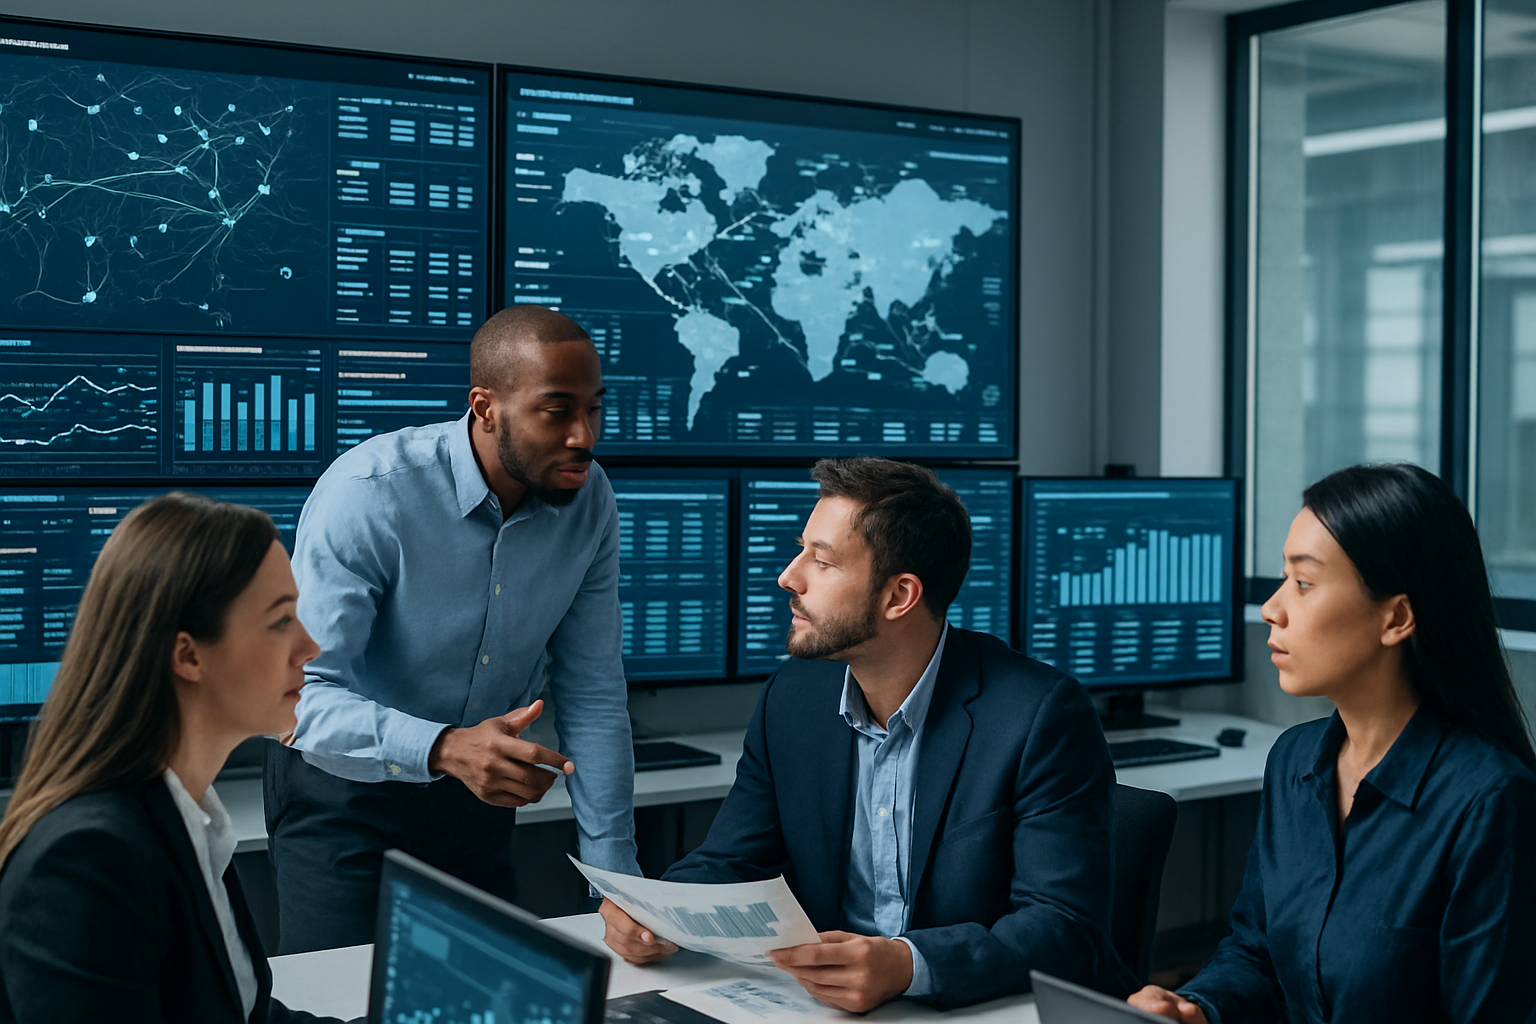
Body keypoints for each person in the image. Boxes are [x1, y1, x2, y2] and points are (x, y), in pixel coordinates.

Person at [600, 457, 1133, 1011]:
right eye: (801, 548)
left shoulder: (1038, 714)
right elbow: (733, 859)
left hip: (984, 1008)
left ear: (899, 596)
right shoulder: (794, 697)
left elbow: (1065, 927)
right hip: (829, 1008)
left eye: (822, 562)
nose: (789, 576)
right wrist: (656, 910)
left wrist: (907, 965)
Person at [265, 304, 640, 952]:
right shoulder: (370, 493)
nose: (584, 435)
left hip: (477, 801)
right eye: (556, 410)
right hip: (345, 796)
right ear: (486, 407)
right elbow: (296, 701)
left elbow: (593, 691)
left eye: (595, 408)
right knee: (341, 1008)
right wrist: (444, 747)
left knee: (482, 1001)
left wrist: (619, 886)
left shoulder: (589, 501)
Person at [1129, 463, 1536, 1024]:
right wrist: (1197, 1008)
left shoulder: (1491, 803)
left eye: (1303, 582)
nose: (1272, 608)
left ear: (1396, 617)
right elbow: (1259, 954)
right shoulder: (1293, 761)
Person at [0, 493, 343, 1023]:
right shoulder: (87, 862)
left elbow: (247, 1015)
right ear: (188, 654)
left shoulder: (191, 818)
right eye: (280, 622)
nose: (310, 647)